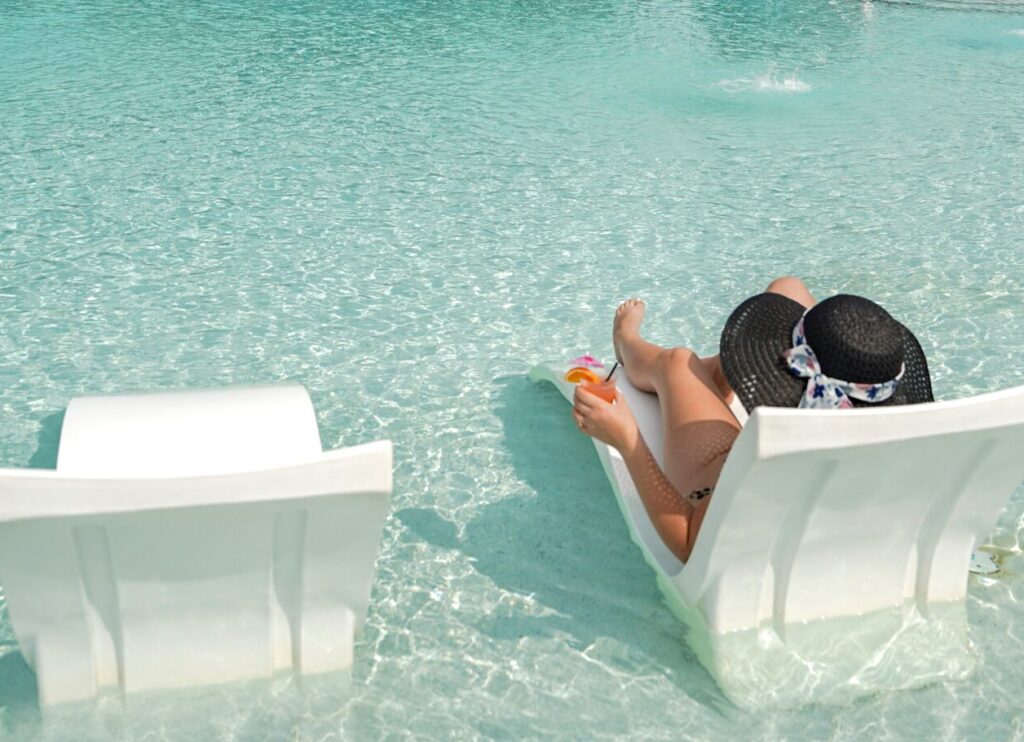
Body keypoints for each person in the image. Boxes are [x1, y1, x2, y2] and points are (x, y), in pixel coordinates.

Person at [571, 276, 934, 562]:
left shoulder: (774, 464)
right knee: (787, 289)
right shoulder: (905, 443)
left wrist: (627, 438)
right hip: (840, 521)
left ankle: (629, 341)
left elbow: (688, 541)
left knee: (676, 362)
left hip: (715, 477)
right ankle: (708, 379)